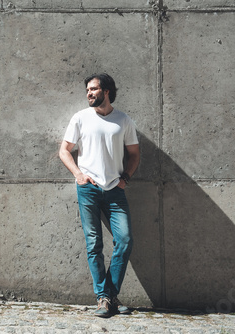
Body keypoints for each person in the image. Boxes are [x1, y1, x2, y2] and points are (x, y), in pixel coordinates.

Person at [59, 73, 140, 318]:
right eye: (87, 90)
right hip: (88, 190)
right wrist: (79, 175)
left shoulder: (123, 120)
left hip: (115, 190)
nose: (89, 94)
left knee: (124, 241)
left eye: (93, 89)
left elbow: (134, 154)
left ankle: (108, 296)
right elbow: (64, 151)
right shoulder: (80, 118)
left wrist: (125, 178)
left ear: (106, 91)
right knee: (94, 244)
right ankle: (104, 298)